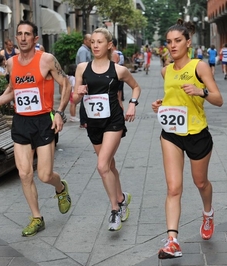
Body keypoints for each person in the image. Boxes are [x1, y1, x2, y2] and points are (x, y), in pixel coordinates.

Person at [0, 20, 72, 237]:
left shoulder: (47, 60)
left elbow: (66, 83)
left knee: (44, 174)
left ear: (35, 39)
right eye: (19, 34)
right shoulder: (11, 63)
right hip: (21, 121)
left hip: (43, 121)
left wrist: (59, 112)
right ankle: (37, 217)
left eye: (27, 34)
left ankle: (60, 188)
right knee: (24, 174)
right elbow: (13, 89)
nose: (22, 38)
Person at [151, 19, 223, 260]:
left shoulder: (199, 67)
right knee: (173, 188)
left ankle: (208, 212)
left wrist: (200, 91)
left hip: (197, 133)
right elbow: (171, 98)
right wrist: (161, 106)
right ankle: (172, 241)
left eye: (177, 41)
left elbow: (218, 99)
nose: (172, 46)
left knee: (200, 183)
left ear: (188, 42)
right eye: (169, 42)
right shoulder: (165, 70)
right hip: (171, 133)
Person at [73, 28, 141, 231]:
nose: (95, 45)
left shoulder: (118, 70)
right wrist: (78, 92)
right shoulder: (82, 68)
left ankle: (115, 210)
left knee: (102, 166)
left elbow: (136, 87)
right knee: (109, 165)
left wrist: (132, 104)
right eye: (92, 41)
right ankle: (122, 197)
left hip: (113, 121)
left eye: (99, 42)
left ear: (109, 45)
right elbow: (75, 99)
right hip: (93, 123)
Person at [76, 34, 92, 129]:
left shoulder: (86, 50)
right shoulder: (83, 51)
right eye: (90, 40)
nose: (91, 42)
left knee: (86, 98)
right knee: (84, 98)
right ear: (85, 40)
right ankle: (83, 121)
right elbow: (83, 65)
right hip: (84, 77)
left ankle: (85, 119)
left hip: (85, 77)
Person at [112, 38, 125, 102]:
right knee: (120, 90)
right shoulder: (120, 53)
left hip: (116, 74)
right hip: (121, 73)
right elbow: (122, 63)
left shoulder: (113, 54)